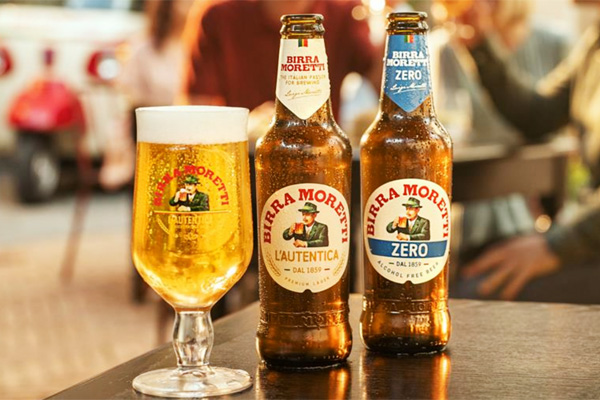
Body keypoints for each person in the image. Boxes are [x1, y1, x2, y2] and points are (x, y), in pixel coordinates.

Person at [456, 0, 600, 303]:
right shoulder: (595, 38)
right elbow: (538, 115)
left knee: (470, 297)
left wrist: (557, 246)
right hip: (587, 235)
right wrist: (481, 44)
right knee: (464, 275)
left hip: (589, 241)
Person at [182, 0, 377, 123]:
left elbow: (382, 81)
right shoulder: (218, 16)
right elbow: (197, 114)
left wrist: (388, 24)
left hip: (322, 157)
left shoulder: (346, 12)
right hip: (243, 157)